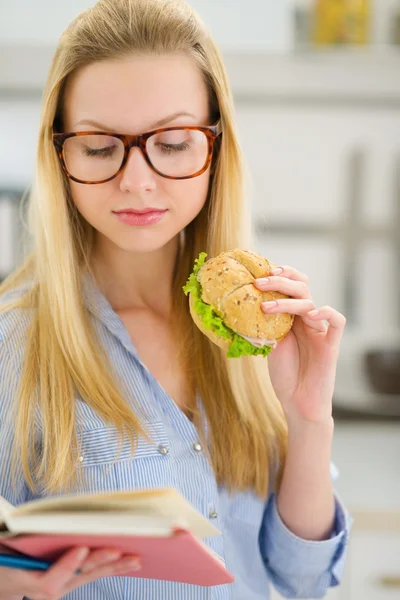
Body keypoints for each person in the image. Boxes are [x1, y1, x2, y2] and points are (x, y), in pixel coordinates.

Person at [0, 0, 352, 598]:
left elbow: (305, 578)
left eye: (173, 141)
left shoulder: (257, 331)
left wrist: (309, 419)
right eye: (98, 146)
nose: (137, 180)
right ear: (60, 155)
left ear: (215, 146)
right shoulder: (16, 341)